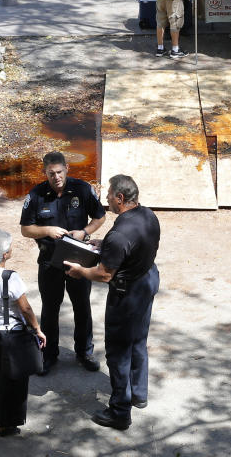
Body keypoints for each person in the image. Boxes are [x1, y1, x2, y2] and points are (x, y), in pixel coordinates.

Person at [65, 174, 161, 432]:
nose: (105, 198)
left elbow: (105, 274)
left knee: (118, 352)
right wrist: (102, 244)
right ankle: (139, 394)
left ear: (120, 198)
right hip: (148, 279)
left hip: (127, 294)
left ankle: (120, 412)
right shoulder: (148, 215)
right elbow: (131, 246)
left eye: (108, 194)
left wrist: (80, 271)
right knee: (138, 340)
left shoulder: (120, 233)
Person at [19, 152, 106, 375]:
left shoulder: (83, 189)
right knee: (50, 310)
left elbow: (100, 217)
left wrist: (85, 231)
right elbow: (25, 229)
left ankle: (85, 352)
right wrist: (47, 230)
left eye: (60, 172)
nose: (56, 177)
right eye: (51, 173)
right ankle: (49, 355)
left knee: (82, 307)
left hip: (78, 260)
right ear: (44, 172)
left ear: (67, 168)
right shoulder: (37, 195)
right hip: (50, 262)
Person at [0, 229, 48, 438]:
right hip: (8, 337)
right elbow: (25, 309)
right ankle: (6, 424)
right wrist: (37, 329)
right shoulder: (10, 277)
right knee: (12, 381)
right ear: (5, 255)